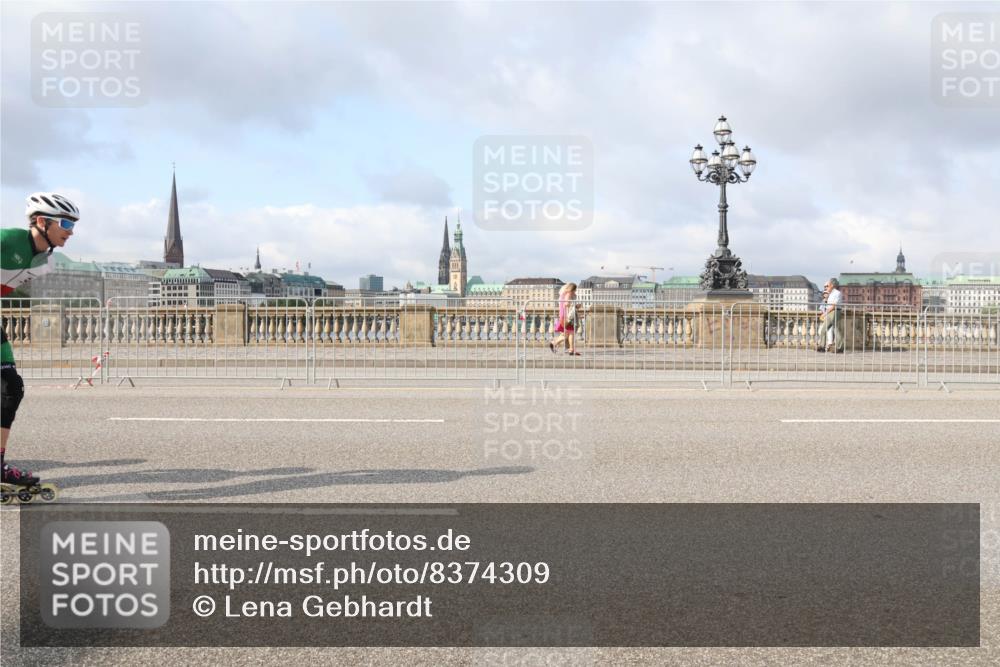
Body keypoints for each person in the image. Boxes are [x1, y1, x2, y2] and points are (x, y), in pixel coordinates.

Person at [1, 192, 80, 490]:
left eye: (73, 225)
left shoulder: (46, 262)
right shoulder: (8, 239)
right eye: (64, 223)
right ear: (40, 221)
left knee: (11, 387)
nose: (70, 231)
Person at [550, 282, 580, 355]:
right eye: (575, 290)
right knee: (570, 333)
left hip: (564, 316)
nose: (575, 292)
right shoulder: (568, 294)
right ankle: (570, 349)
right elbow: (567, 304)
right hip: (567, 317)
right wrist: (576, 306)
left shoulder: (563, 294)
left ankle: (569, 348)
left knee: (567, 333)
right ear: (572, 289)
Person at [816, 278, 843, 353]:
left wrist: (825, 313)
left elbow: (833, 305)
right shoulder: (830, 293)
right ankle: (837, 347)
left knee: (835, 330)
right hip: (831, 312)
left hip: (834, 312)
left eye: (827, 285)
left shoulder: (837, 293)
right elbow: (827, 304)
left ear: (832, 285)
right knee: (833, 330)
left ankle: (837, 347)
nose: (826, 287)